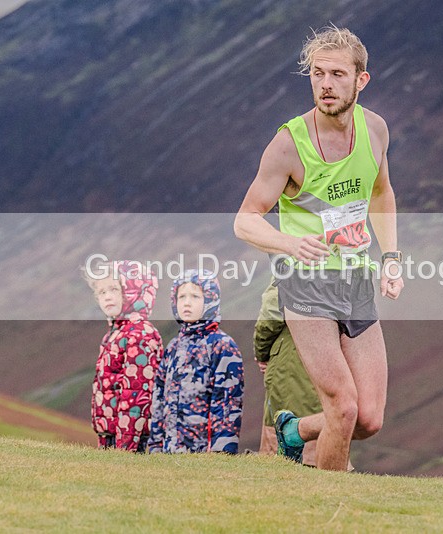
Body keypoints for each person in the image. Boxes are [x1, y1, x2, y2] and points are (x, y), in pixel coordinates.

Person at [234, 25, 403, 471]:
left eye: (337, 75)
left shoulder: (376, 131)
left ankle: (294, 431)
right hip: (306, 285)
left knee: (368, 419)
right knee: (343, 409)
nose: (325, 85)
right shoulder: (289, 144)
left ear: (360, 80)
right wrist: (291, 244)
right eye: (317, 74)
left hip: (356, 282)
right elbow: (245, 220)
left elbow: (381, 194)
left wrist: (391, 259)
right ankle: (325, 510)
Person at [148, 270, 244, 454]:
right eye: (181, 296)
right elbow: (159, 399)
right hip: (168, 454)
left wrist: (220, 454)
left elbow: (227, 405)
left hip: (203, 455)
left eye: (195, 296)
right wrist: (155, 448)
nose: (187, 302)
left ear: (210, 300)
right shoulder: (173, 347)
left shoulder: (222, 346)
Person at [85, 260, 162, 452]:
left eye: (114, 289)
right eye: (102, 292)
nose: (107, 297)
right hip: (113, 435)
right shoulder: (114, 334)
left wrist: (125, 447)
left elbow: (137, 395)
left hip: (135, 442)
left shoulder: (139, 334)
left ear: (133, 291)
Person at [254, 279, 322, 466]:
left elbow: (271, 312)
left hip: (289, 361)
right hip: (333, 360)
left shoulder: (292, 262)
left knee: (280, 431)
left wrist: (262, 352)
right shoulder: (345, 264)